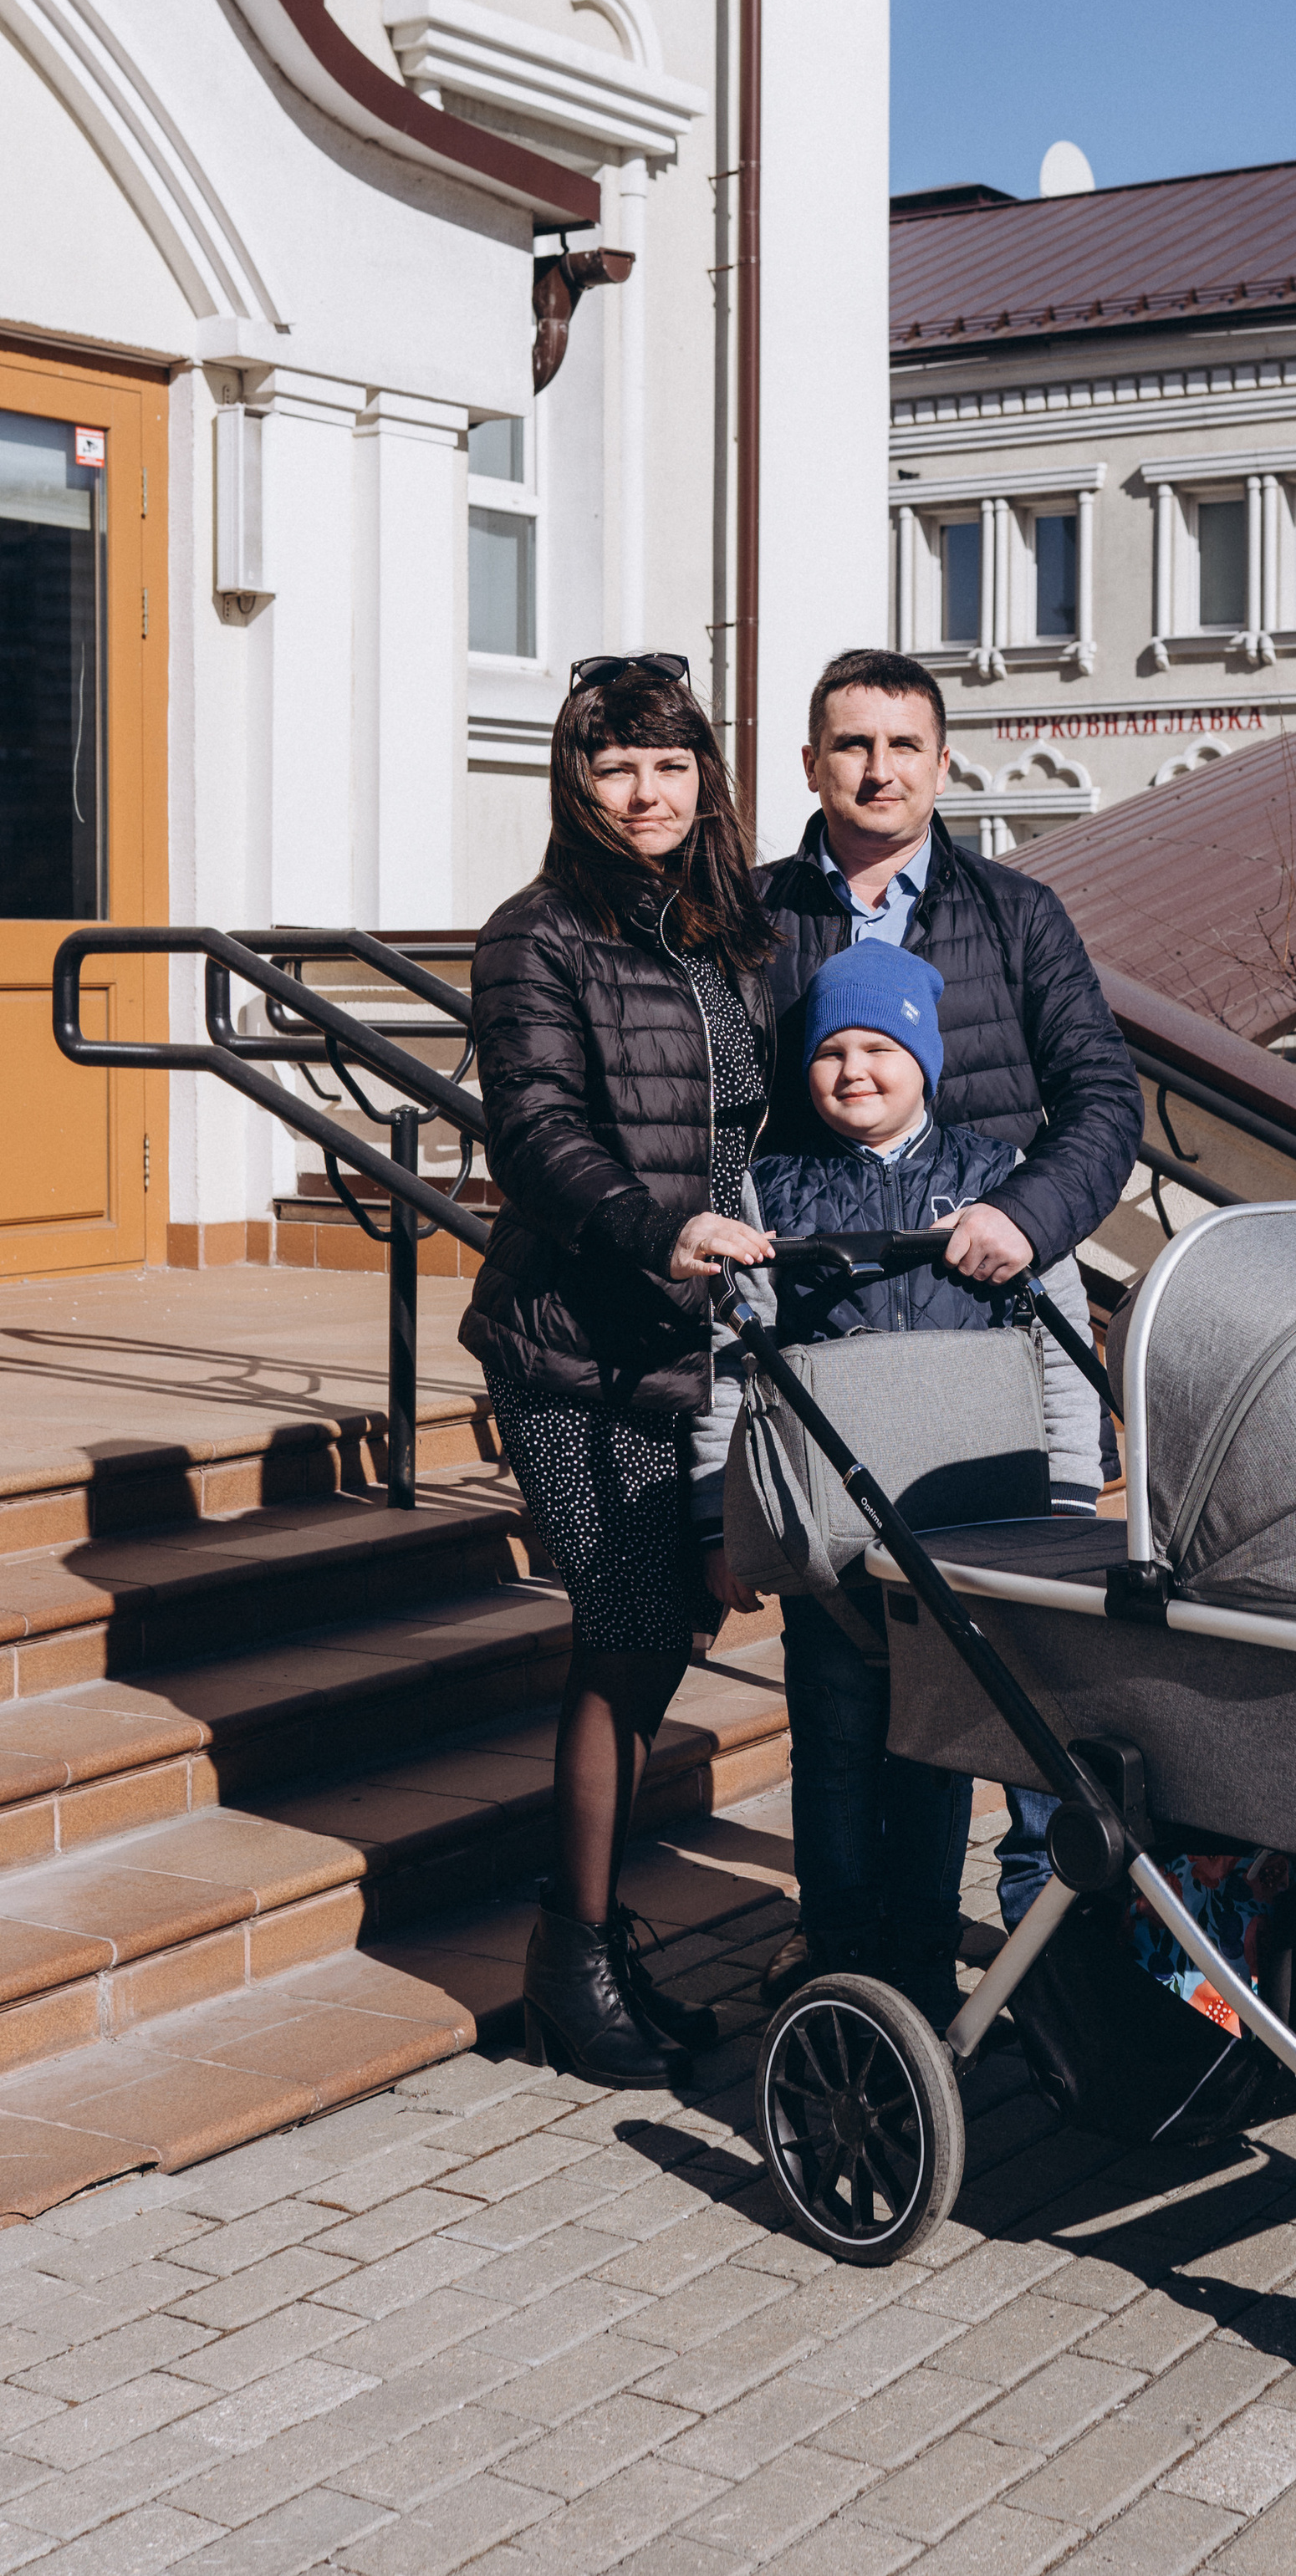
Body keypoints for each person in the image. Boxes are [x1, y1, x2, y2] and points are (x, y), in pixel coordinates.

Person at [750, 645, 1143, 1946]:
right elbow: (723, 1126)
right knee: (850, 1701)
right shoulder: (751, 919)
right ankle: (857, 1958)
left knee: (1012, 1674)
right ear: (812, 764)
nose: (877, 768)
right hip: (836, 1367)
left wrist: (1025, 1221)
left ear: (941, 762)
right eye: (851, 745)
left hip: (987, 1350)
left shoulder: (1016, 913)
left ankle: (1034, 1950)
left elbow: (1101, 1101)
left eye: (902, 745)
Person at [461, 653, 778, 2089]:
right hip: (580, 1341)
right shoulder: (537, 936)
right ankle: (570, 1960)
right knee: (628, 1622)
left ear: (702, 773)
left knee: (668, 1627)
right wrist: (664, 1226)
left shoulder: (727, 932)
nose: (645, 791)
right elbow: (531, 1131)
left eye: (668, 762)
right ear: (576, 782)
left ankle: (590, 1934)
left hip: (703, 1331)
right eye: (615, 765)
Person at [691, 940, 1102, 2024]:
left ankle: (918, 1960)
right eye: (833, 1049)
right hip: (827, 1543)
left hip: (965, 1541)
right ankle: (836, 1955)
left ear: (925, 1055)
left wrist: (1067, 1496)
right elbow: (731, 1364)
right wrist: (719, 1519)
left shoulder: (998, 1185)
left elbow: (1056, 1349)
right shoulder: (768, 1189)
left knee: (935, 1753)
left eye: (881, 1046)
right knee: (831, 1742)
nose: (856, 1069)